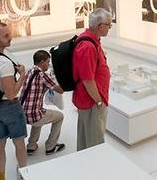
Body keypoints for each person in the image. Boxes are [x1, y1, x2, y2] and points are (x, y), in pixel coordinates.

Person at [0, 22, 29, 180]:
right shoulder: (4, 63)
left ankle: (1, 179)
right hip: (10, 106)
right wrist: (23, 75)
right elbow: (11, 93)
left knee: (0, 143)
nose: (10, 38)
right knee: (19, 142)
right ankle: (23, 173)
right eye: (5, 36)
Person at [72, 8, 112, 151]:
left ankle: (86, 165)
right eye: (109, 24)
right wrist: (99, 101)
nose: (110, 27)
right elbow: (87, 80)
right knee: (95, 142)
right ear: (100, 26)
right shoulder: (88, 46)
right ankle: (94, 168)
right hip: (91, 102)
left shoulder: (91, 40)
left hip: (89, 99)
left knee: (86, 137)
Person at [20, 50, 65, 155]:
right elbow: (60, 90)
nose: (48, 65)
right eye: (48, 62)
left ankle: (31, 146)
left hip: (22, 114)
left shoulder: (29, 71)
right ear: (42, 62)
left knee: (39, 113)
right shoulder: (42, 75)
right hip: (34, 115)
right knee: (60, 116)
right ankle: (51, 146)